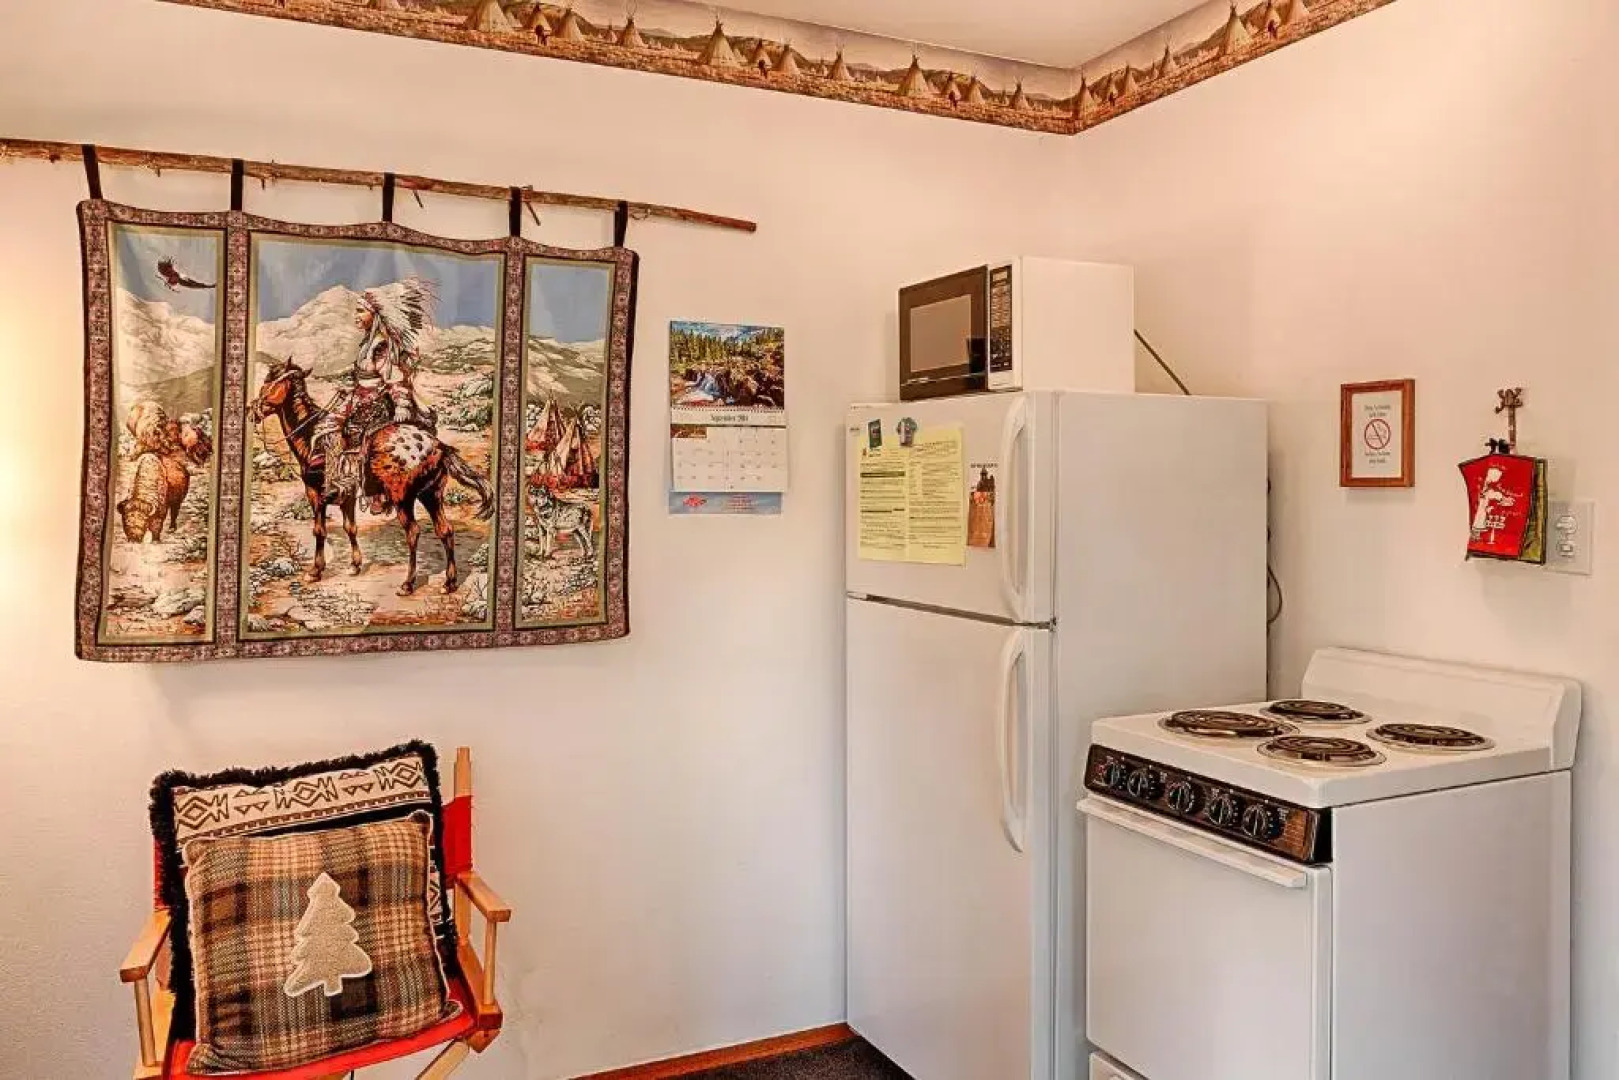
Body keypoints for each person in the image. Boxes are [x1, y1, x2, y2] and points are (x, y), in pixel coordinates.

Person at [313, 279, 437, 511]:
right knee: (326, 426)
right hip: (358, 398)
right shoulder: (367, 343)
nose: (356, 316)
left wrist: (401, 404)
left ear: (375, 315)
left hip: (376, 403)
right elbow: (364, 376)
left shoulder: (380, 346)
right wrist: (351, 390)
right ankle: (335, 480)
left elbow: (394, 378)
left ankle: (371, 492)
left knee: (361, 438)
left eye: (361, 311)